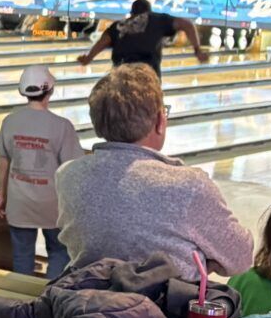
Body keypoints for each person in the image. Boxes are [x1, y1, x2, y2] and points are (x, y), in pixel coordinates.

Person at [54, 65, 253, 281]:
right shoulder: (189, 186)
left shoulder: (67, 176)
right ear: (159, 121)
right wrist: (203, 260)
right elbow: (241, 258)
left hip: (85, 307)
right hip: (164, 313)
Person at [0, 66, 85, 278]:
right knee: (59, 252)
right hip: (52, 204)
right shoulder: (62, 126)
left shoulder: (10, 121)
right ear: (50, 91)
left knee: (21, 255)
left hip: (19, 203)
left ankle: (22, 301)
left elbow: (3, 164)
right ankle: (48, 299)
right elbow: (72, 169)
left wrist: (2, 197)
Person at [79, 0, 207, 73]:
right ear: (149, 11)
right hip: (148, 79)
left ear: (131, 12)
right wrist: (197, 50)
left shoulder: (118, 25)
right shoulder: (158, 19)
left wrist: (88, 58)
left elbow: (103, 41)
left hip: (121, 77)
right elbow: (187, 24)